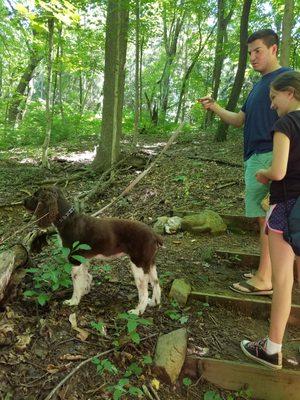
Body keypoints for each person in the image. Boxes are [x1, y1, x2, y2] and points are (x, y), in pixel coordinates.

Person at [199, 29, 290, 295]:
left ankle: (265, 279)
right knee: (264, 218)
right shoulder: (258, 87)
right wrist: (214, 107)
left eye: (258, 50)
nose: (252, 57)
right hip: (255, 156)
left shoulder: (285, 79)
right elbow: (240, 120)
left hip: (271, 154)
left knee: (269, 219)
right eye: (249, 52)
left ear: (273, 49)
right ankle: (267, 271)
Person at [240, 70, 300, 369]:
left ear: (290, 93)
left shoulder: (285, 124)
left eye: (274, 97)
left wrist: (263, 174)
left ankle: (272, 348)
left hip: (286, 207)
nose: (273, 104)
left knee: (283, 280)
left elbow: (278, 171)